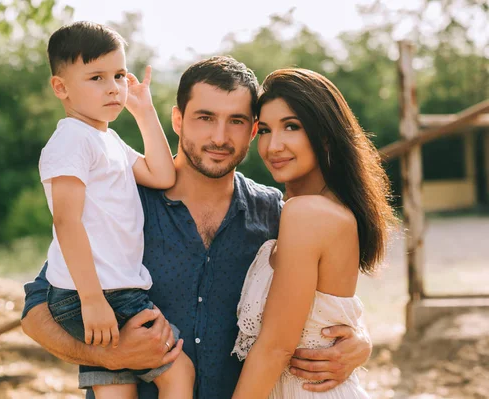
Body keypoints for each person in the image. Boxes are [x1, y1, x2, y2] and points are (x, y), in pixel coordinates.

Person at [22, 56, 374, 399]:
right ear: (177, 119)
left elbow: (314, 304)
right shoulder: (124, 199)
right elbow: (36, 312)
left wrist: (359, 342)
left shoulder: (274, 212)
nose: (219, 137)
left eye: (236, 121)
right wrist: (107, 356)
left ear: (253, 130)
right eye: (205, 118)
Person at [38, 21, 193, 398]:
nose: (113, 87)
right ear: (61, 87)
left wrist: (143, 111)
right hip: (99, 292)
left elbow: (162, 173)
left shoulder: (108, 139)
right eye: (96, 77)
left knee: (117, 386)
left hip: (106, 291)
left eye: (120, 75)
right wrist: (92, 301)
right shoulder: (73, 139)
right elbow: (66, 220)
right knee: (178, 371)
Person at [230, 68, 397, 398]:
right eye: (264, 130)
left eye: (291, 126)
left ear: (324, 134)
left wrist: (360, 340)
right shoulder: (306, 208)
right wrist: (361, 338)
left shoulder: (306, 214)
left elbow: (276, 348)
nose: (273, 145)